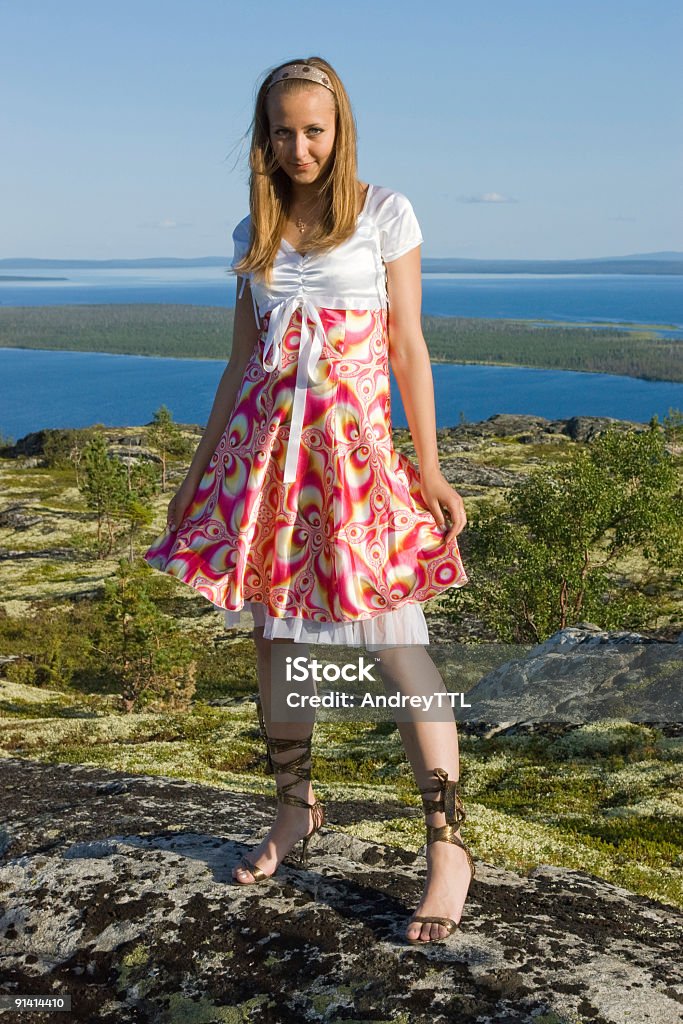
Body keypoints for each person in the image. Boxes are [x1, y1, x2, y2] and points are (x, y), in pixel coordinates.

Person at [144, 56, 474, 945]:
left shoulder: (383, 213)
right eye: (283, 130)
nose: (299, 146)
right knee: (274, 642)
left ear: (340, 129)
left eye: (314, 129)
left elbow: (408, 347)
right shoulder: (254, 227)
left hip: (355, 467)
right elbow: (240, 364)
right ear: (264, 136)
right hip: (265, 473)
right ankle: (296, 811)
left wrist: (430, 468)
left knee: (400, 647)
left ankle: (447, 845)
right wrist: (195, 470)